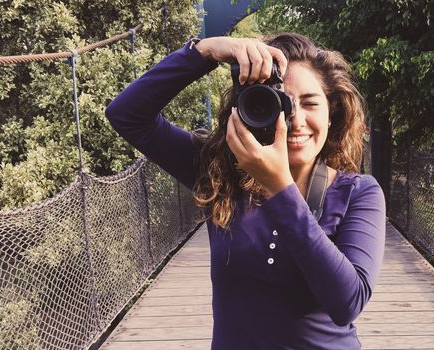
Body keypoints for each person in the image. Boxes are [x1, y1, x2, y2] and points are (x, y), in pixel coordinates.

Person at [106, 32, 386, 350]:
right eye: (278, 103)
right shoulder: (219, 174)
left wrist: (279, 187)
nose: (294, 120)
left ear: (331, 112)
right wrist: (205, 51)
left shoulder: (360, 193)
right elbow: (126, 115)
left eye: (309, 103)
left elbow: (348, 302)